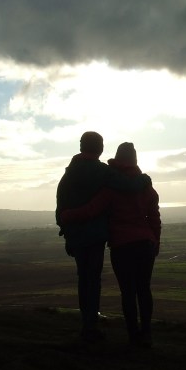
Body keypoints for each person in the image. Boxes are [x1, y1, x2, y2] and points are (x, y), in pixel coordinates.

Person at [61, 142, 161, 347]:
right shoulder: (146, 187)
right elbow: (154, 219)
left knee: (128, 292)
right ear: (135, 159)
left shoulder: (111, 188)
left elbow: (92, 210)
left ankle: (133, 336)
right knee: (144, 289)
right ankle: (147, 334)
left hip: (122, 246)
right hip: (146, 244)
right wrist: (156, 241)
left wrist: (67, 216)